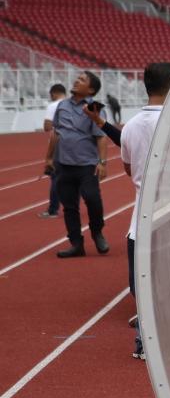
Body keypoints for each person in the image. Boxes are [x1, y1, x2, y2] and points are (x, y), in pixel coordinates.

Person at [116, 62, 170, 359]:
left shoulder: (130, 126)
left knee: (142, 283)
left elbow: (128, 168)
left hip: (140, 218)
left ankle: (145, 340)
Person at [46, 71, 109, 258]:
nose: (76, 80)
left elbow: (101, 137)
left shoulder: (94, 107)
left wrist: (103, 163)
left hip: (86, 165)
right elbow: (56, 133)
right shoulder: (62, 105)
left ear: (90, 89)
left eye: (81, 80)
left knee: (93, 200)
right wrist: (48, 158)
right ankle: (76, 244)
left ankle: (97, 232)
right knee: (69, 206)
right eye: (77, 78)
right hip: (63, 165)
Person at [39, 83, 67, 219]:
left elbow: (47, 126)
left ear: (54, 93)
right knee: (74, 175)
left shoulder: (53, 106)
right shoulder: (72, 104)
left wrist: (48, 157)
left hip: (58, 144)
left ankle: (53, 209)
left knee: (55, 177)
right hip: (75, 145)